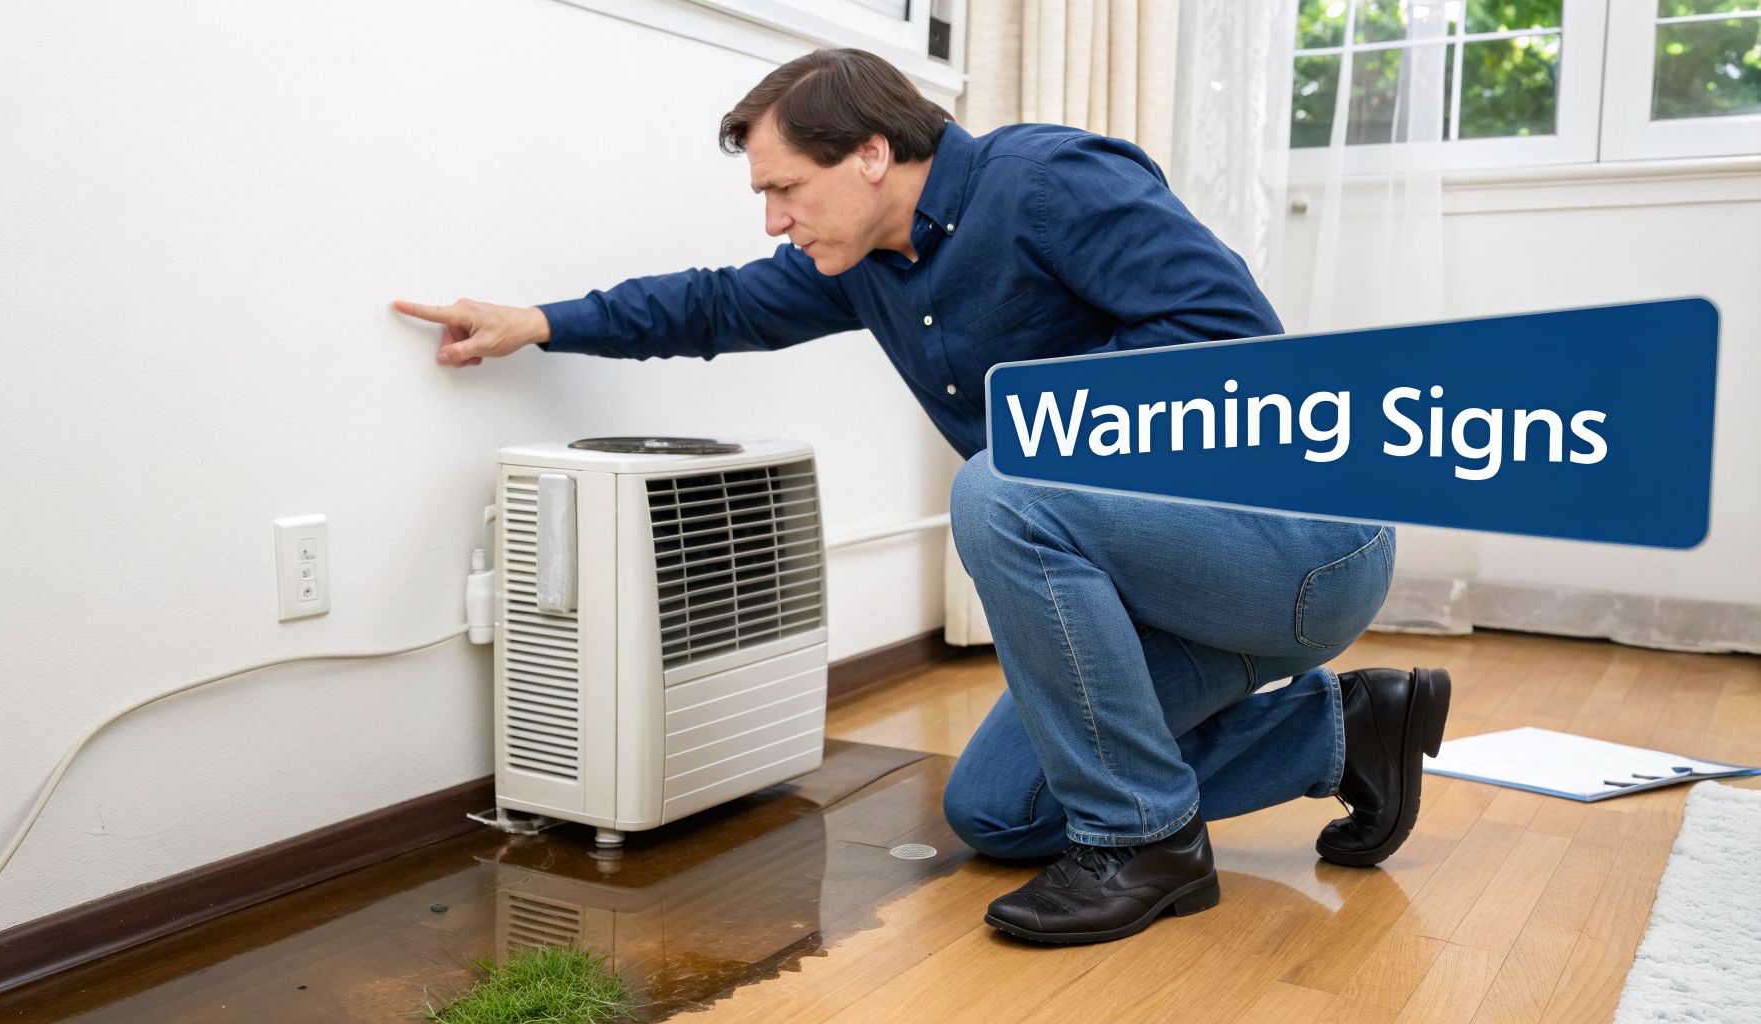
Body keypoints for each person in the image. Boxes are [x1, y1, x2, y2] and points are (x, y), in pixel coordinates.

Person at [393, 47, 1451, 945]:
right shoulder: (868, 260)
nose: (772, 220)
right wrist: (535, 319)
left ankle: (1143, 844)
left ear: (868, 155)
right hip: (1184, 593)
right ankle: (1344, 730)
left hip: (1300, 548)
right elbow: (714, 304)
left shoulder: (1047, 181)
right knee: (996, 808)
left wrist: (1056, 432)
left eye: (784, 190)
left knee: (1005, 481)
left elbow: (1235, 350)